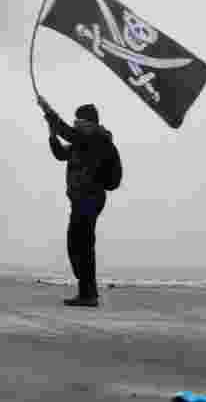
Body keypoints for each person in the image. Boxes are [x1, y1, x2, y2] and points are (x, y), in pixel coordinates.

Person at [38, 97, 117, 307]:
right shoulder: (82, 142)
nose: (75, 124)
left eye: (79, 121)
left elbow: (67, 132)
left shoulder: (97, 140)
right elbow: (60, 154)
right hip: (81, 200)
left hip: (90, 198)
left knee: (81, 244)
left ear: (90, 123)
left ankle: (88, 294)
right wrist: (51, 132)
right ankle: (88, 292)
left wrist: (48, 111)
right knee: (78, 244)